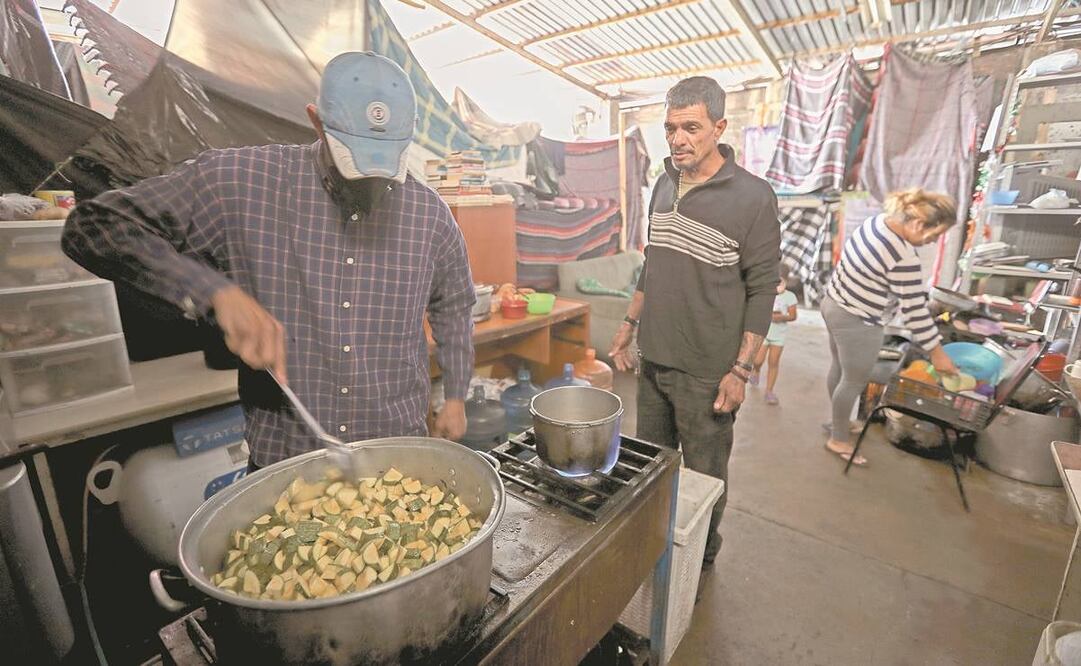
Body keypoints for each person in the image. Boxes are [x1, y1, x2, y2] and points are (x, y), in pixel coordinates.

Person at [62, 52, 475, 471]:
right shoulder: (242, 182)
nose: (370, 182)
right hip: (286, 466)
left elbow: (455, 305)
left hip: (397, 463)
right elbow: (94, 227)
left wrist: (456, 395)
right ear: (316, 121)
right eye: (355, 156)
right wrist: (213, 292)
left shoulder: (430, 216)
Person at [609, 76, 780, 565]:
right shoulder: (663, 184)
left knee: (704, 476)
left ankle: (700, 558)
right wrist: (628, 324)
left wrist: (741, 370)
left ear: (719, 127)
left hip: (708, 371)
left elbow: (763, 288)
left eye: (691, 127)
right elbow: (653, 261)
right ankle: (656, 548)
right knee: (650, 467)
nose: (678, 139)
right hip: (655, 360)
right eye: (670, 128)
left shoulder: (752, 197)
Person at [822, 188, 959, 466]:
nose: (931, 242)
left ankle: (838, 422)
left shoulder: (878, 222)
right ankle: (838, 438)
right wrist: (938, 354)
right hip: (858, 321)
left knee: (839, 368)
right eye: (933, 236)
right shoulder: (903, 255)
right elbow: (915, 312)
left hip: (834, 303)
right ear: (919, 223)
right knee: (854, 380)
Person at [750, 266, 798, 405]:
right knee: (757, 360)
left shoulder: (790, 297)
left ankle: (769, 391)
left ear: (786, 282)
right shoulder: (766, 294)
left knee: (773, 362)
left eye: (781, 282)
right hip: (764, 333)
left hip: (779, 336)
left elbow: (793, 316)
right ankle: (756, 371)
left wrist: (782, 317)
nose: (778, 285)